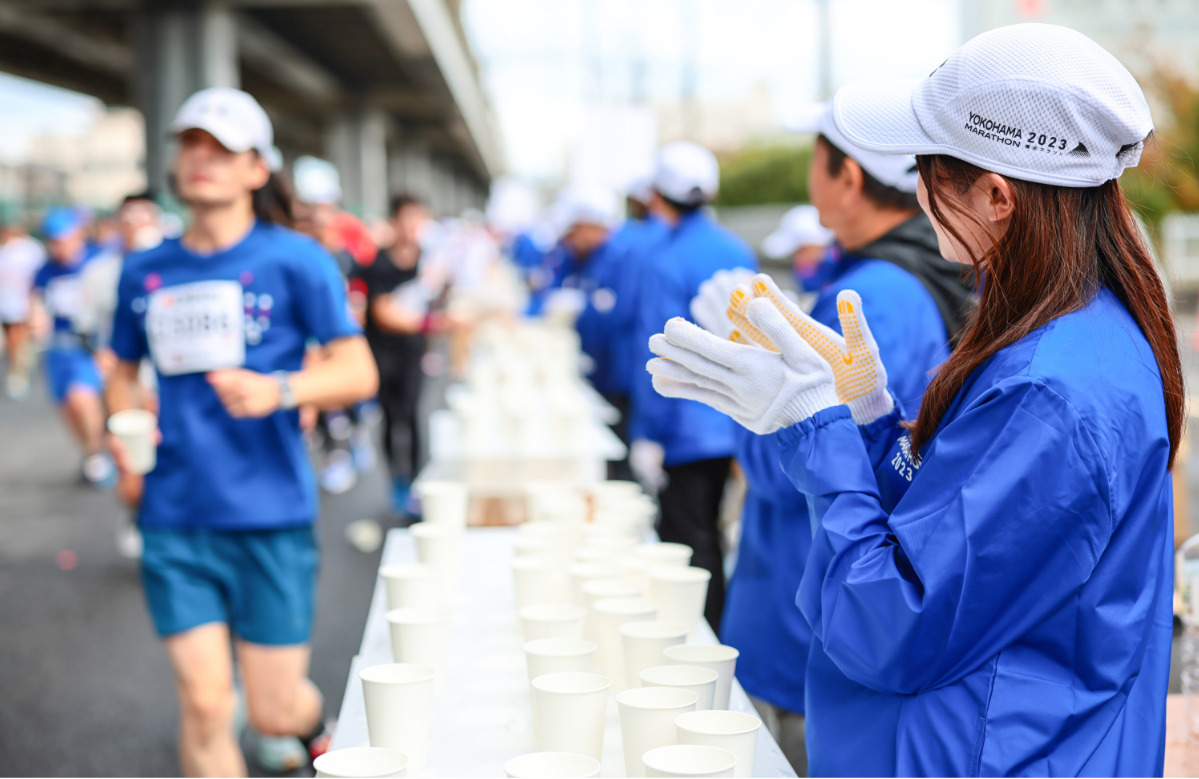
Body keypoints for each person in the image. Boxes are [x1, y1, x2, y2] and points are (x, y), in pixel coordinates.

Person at [648, 24, 1178, 776]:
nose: (918, 194)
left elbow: (890, 623)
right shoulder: (1066, 336)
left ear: (996, 195)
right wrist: (868, 424)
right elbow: (957, 536)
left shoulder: (1048, 388)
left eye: (925, 168)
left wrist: (814, 433)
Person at [692, 105, 975, 774]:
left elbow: (786, 463)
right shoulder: (916, 277)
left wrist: (749, 383)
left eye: (816, 163)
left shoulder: (870, 293)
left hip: (807, 611)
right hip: (844, 603)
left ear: (846, 176)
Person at [105, 87, 378, 777]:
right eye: (191, 144)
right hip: (174, 515)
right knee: (203, 703)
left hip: (270, 515)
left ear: (258, 169)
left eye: (221, 148)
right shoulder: (144, 270)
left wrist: (281, 389)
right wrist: (124, 433)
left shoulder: (296, 260)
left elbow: (357, 369)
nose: (202, 158)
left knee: (273, 710)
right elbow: (121, 367)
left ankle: (316, 728)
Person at [629, 141, 757, 632]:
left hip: (684, 425)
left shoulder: (664, 259)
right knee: (717, 536)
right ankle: (719, 635)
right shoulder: (736, 248)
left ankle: (696, 642)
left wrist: (648, 432)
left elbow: (659, 349)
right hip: (736, 417)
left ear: (658, 195)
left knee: (687, 543)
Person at [350, 193, 434, 517]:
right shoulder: (377, 265)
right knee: (390, 419)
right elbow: (383, 314)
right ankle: (396, 483)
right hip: (382, 354)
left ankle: (415, 482)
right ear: (394, 222)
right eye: (408, 218)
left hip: (413, 353)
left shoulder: (428, 262)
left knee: (412, 415)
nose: (414, 227)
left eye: (419, 219)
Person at [32, 206, 117, 487]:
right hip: (58, 349)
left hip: (89, 347)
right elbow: (35, 302)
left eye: (65, 239)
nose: (60, 246)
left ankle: (98, 455)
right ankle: (91, 452)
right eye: (54, 241)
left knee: (82, 398)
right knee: (68, 408)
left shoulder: (98, 262)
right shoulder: (45, 271)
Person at [0, 221, 46, 399]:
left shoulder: (30, 248)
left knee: (20, 336)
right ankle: (18, 367)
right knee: (13, 337)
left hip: (23, 302)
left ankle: (19, 370)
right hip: (6, 304)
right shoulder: (4, 249)